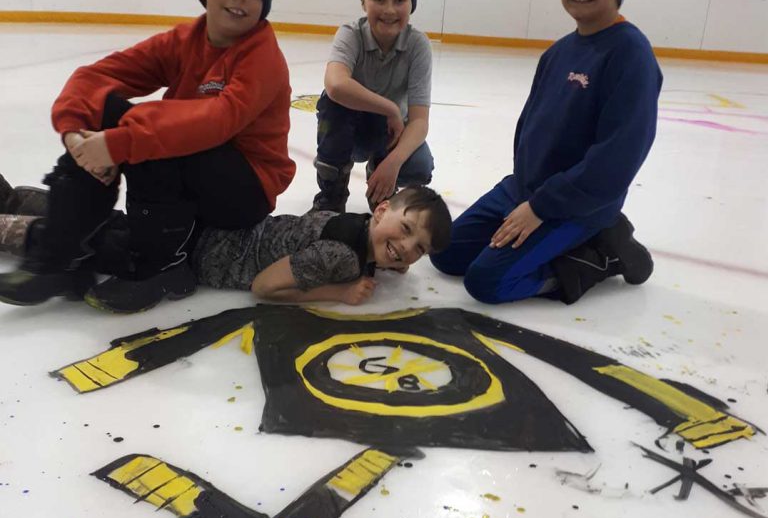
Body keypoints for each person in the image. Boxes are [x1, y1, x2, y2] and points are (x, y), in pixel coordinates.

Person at [0, 0, 294, 313]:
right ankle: (62, 256)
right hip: (193, 165)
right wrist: (76, 134)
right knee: (112, 112)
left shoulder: (262, 57)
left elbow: (218, 119)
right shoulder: (185, 40)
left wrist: (120, 143)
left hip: (245, 191)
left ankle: (161, 267)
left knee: (153, 131)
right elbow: (96, 77)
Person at [431, 0, 661, 306]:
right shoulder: (558, 53)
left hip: (577, 205)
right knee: (445, 251)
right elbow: (531, 129)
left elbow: (616, 161)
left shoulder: (630, 55)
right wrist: (525, 193)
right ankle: (571, 237)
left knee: (487, 282)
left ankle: (598, 256)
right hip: (524, 191)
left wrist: (540, 208)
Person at [0, 183, 452, 308]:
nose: (407, 248)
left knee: (111, 222)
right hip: (203, 254)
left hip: (211, 229)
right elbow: (263, 286)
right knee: (105, 242)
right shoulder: (339, 256)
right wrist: (338, 292)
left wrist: (392, 258)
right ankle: (11, 227)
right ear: (381, 211)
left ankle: (17, 197)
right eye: (407, 229)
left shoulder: (356, 225)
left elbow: (388, 244)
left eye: (420, 249)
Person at [313, 0, 434, 213]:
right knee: (332, 104)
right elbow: (335, 84)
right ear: (363, 1)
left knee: (420, 168)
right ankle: (332, 192)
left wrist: (393, 163)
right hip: (351, 130)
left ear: (411, 4)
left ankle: (379, 170)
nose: (389, 10)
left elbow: (420, 121)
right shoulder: (351, 34)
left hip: (391, 133)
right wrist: (389, 108)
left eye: (400, 0)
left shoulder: (418, 45)